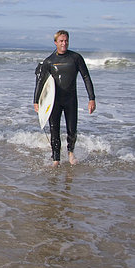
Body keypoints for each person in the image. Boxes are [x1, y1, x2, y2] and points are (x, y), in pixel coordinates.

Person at [33, 30, 96, 167]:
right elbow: (40, 82)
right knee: (54, 130)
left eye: (66, 40)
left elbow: (86, 77)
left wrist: (91, 98)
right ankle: (56, 159)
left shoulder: (75, 58)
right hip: (54, 101)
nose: (64, 43)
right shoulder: (49, 61)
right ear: (55, 42)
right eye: (61, 41)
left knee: (72, 129)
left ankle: (70, 153)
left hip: (70, 99)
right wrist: (36, 101)